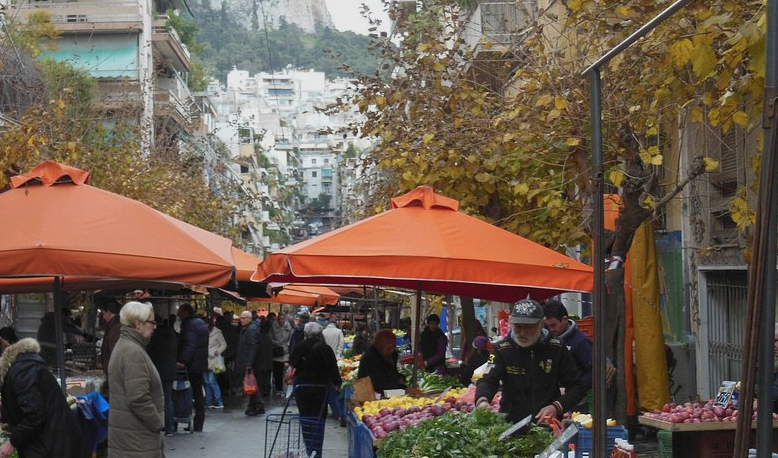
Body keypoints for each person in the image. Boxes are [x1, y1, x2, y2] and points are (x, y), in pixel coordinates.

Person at [475, 299, 587, 423]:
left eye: (528, 328)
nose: (522, 333)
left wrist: (557, 406)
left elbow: (576, 386)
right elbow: (488, 380)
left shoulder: (556, 347)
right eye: (518, 327)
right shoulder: (502, 349)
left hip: (547, 424)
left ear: (541, 324)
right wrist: (482, 400)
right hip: (511, 424)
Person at [0, 337, 85, 458]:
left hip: (53, 446)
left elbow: (35, 415)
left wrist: (12, 442)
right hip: (52, 442)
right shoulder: (19, 367)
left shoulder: (20, 371)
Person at [108, 301, 164, 457]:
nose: (155, 327)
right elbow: (138, 398)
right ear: (139, 324)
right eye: (152, 322)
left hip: (130, 436)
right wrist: (157, 422)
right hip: (138, 439)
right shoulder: (133, 352)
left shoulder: (125, 345)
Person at [289, 322, 342, 458]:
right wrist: (338, 383)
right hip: (320, 389)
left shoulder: (299, 346)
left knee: (305, 419)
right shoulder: (325, 349)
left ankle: (309, 449)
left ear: (305, 334)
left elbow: (292, 364)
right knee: (318, 420)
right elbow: (333, 370)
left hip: (301, 388)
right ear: (319, 334)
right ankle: (316, 452)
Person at [542, 300, 593, 389]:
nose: (551, 329)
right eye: (548, 326)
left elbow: (594, 371)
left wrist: (575, 389)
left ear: (564, 319)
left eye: (553, 325)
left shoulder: (581, 342)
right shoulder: (547, 339)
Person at [176, 303, 209, 432]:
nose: (178, 314)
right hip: (200, 363)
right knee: (198, 393)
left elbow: (190, 344)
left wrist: (183, 361)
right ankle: (198, 423)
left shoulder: (189, 325)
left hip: (192, 364)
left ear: (186, 312)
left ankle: (186, 419)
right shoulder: (200, 322)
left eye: (180, 311)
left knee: (187, 392)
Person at [146, 315, 178, 437]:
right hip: (170, 370)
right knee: (168, 399)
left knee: (155, 398)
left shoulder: (155, 336)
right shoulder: (173, 335)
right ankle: (170, 428)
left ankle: (158, 425)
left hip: (156, 370)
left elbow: (149, 351)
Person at [357, 328, 406, 394]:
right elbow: (380, 384)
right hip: (371, 394)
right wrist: (403, 388)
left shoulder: (392, 355)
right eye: (389, 348)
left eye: (394, 347)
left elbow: (391, 373)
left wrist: (400, 378)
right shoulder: (370, 358)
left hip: (388, 392)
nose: (392, 350)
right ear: (379, 346)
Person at [235, 311, 265, 416]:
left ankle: (258, 405)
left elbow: (253, 348)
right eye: (241, 318)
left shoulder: (251, 330)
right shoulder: (247, 329)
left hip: (251, 364)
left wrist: (249, 364)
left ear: (249, 319)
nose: (241, 320)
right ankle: (252, 407)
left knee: (252, 385)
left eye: (243, 318)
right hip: (249, 362)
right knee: (251, 385)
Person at [205, 316, 227, 409]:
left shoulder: (218, 332)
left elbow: (224, 344)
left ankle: (219, 402)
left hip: (214, 360)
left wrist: (218, 351)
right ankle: (208, 403)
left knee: (212, 381)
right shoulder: (203, 331)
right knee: (207, 382)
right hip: (205, 359)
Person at [269, 311, 292, 397]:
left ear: (285, 319)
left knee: (284, 372)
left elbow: (290, 339)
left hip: (285, 352)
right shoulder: (273, 327)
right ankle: (278, 388)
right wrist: (277, 343)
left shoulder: (289, 328)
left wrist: (287, 345)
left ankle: (283, 388)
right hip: (276, 352)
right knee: (277, 371)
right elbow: (270, 338)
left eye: (282, 319)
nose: (281, 321)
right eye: (279, 319)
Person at [257, 316, 274, 398]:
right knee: (266, 378)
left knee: (260, 378)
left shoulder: (259, 337)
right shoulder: (268, 338)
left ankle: (261, 392)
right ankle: (266, 392)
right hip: (268, 361)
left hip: (260, 362)